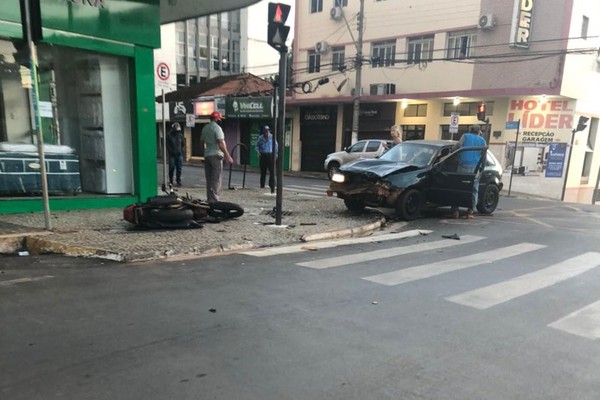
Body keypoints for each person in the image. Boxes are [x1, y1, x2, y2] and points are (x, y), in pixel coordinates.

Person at [451, 124, 487, 219]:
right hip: (475, 168)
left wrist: (451, 152)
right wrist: (482, 168)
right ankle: (470, 211)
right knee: (473, 189)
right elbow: (484, 156)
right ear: (479, 131)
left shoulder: (465, 136)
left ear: (470, 130)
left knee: (458, 187)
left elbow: (458, 146)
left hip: (463, 166)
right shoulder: (482, 140)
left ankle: (455, 210)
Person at [200, 111, 234, 203]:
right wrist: (228, 156)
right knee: (216, 179)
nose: (220, 120)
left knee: (209, 179)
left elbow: (201, 142)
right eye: (219, 119)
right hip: (216, 156)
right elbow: (220, 143)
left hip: (207, 156)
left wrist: (206, 152)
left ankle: (209, 199)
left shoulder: (205, 128)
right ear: (216, 119)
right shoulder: (217, 128)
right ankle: (214, 201)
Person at [255, 125, 278, 193]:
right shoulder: (260, 138)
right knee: (263, 172)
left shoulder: (272, 137)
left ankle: (272, 185)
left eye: (267, 132)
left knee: (272, 171)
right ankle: (262, 186)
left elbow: (276, 146)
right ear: (263, 132)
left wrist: (276, 155)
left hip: (270, 155)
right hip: (263, 155)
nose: (266, 133)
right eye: (265, 132)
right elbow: (256, 146)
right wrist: (258, 152)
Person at [166, 122, 185, 187]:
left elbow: (183, 144)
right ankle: (171, 181)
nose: (177, 132)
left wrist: (181, 150)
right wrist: (171, 151)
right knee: (171, 167)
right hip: (172, 155)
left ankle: (178, 181)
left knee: (179, 168)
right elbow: (167, 145)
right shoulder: (169, 136)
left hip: (179, 154)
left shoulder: (180, 136)